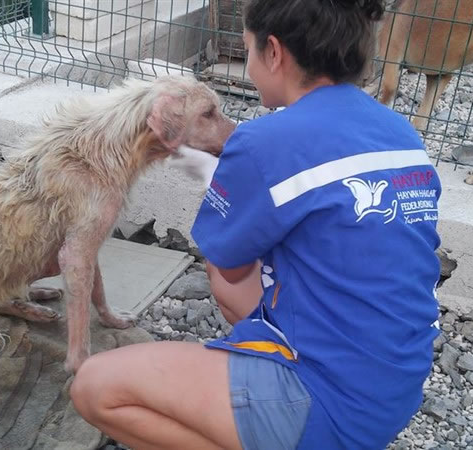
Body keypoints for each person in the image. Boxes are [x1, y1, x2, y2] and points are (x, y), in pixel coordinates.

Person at [69, 0, 443, 448]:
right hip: (395, 386)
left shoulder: (266, 141)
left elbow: (228, 267)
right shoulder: (399, 131)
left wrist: (219, 181)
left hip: (328, 402)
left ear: (273, 52)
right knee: (250, 290)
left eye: (246, 49)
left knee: (94, 386)